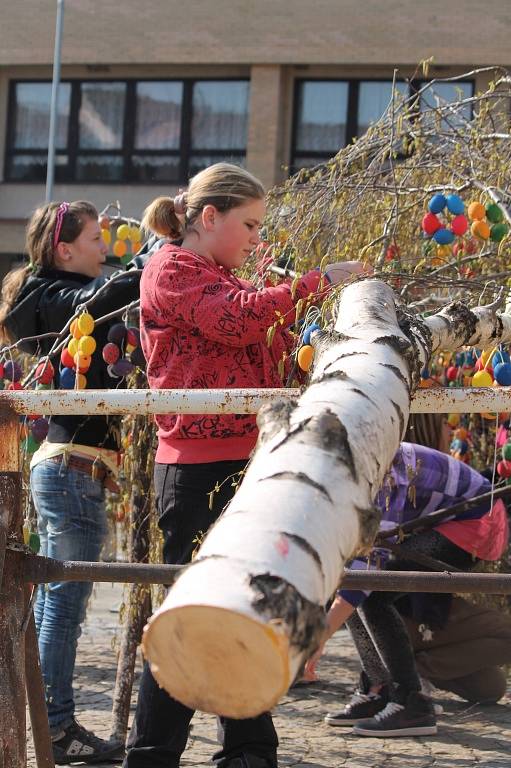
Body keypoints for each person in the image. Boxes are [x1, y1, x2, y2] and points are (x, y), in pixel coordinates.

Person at [124, 162, 366, 768]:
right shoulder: (173, 268)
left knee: (245, 604)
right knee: (187, 611)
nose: (259, 238)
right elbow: (237, 321)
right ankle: (153, 753)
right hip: (194, 467)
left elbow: (261, 330)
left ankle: (249, 748)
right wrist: (313, 283)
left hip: (241, 458)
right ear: (209, 218)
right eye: (250, 224)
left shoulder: (220, 273)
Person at [0, 201, 147, 764]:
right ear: (64, 249)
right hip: (70, 470)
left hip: (74, 468)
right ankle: (55, 725)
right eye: (93, 239)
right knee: (64, 603)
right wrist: (149, 265)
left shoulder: (56, 292)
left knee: (57, 603)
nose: (104, 250)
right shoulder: (49, 296)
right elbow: (94, 300)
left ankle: (46, 720)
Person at [304, 442, 508, 737]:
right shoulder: (345, 468)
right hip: (450, 518)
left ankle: (412, 703)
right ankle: (379, 687)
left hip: (477, 521)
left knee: (374, 593)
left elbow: (370, 565)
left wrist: (320, 636)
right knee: (353, 582)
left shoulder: (382, 472)